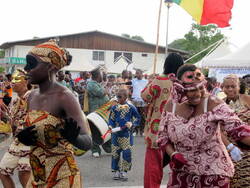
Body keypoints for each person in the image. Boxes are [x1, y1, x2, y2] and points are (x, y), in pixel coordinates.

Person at [157, 64, 250, 188]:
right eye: (191, 90)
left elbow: (239, 130)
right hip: (182, 174)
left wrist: (233, 146)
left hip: (214, 173)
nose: (198, 94)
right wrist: (173, 154)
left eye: (201, 88)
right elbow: (162, 137)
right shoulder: (171, 106)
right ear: (180, 89)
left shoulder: (213, 103)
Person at [16, 40, 92, 188]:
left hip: (62, 177)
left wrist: (75, 138)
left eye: (31, 64)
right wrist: (24, 138)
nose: (26, 69)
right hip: (37, 176)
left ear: (50, 66)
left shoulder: (65, 97)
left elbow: (88, 141)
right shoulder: (31, 96)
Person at [141, 53, 184, 188]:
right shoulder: (184, 82)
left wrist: (150, 81)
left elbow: (145, 96)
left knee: (153, 169)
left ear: (166, 65)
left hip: (156, 131)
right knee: (178, 168)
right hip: (178, 130)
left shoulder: (159, 80)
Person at [0, 69, 31, 188]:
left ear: (26, 81)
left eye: (17, 79)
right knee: (3, 171)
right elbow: (13, 120)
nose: (12, 82)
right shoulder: (15, 100)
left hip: (29, 142)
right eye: (12, 79)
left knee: (24, 173)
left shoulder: (31, 97)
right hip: (17, 141)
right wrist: (5, 115)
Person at [221, 74, 250, 187]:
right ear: (222, 87)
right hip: (230, 149)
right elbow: (217, 128)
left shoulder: (247, 99)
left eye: (233, 86)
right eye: (227, 87)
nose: (230, 89)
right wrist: (229, 147)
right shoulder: (219, 103)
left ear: (239, 86)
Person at [108, 89, 140, 181]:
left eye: (119, 97)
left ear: (126, 97)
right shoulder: (114, 108)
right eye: (116, 96)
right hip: (116, 135)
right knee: (115, 153)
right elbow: (111, 119)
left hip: (127, 135)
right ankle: (116, 171)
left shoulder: (131, 107)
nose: (117, 98)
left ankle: (124, 171)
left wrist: (132, 124)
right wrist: (110, 126)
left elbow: (138, 117)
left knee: (127, 153)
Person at [86, 67, 110, 157]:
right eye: (101, 74)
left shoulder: (97, 83)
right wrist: (106, 90)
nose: (102, 75)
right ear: (98, 75)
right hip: (95, 111)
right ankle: (95, 150)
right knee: (95, 130)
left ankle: (108, 148)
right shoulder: (91, 84)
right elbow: (100, 93)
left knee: (104, 129)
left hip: (102, 111)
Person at [131, 69, 148, 136]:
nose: (136, 75)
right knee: (135, 116)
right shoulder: (133, 81)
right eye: (136, 73)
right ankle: (135, 130)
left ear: (142, 74)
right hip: (135, 100)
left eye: (138, 73)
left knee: (143, 116)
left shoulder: (146, 81)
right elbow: (131, 89)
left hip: (143, 100)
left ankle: (142, 130)